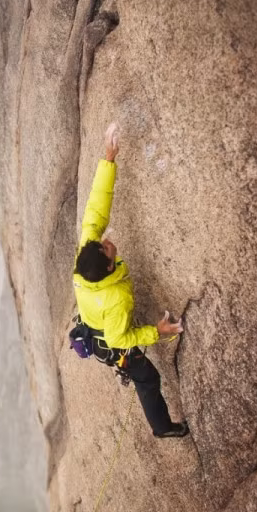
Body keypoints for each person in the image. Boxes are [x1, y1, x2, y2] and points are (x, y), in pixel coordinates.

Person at [72, 123, 189, 438]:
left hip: (96, 318)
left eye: (102, 243)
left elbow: (96, 211)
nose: (106, 240)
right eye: (107, 248)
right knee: (148, 378)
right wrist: (158, 332)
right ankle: (163, 429)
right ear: (110, 268)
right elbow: (118, 339)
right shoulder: (117, 300)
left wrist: (108, 160)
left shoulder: (86, 258)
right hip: (109, 337)